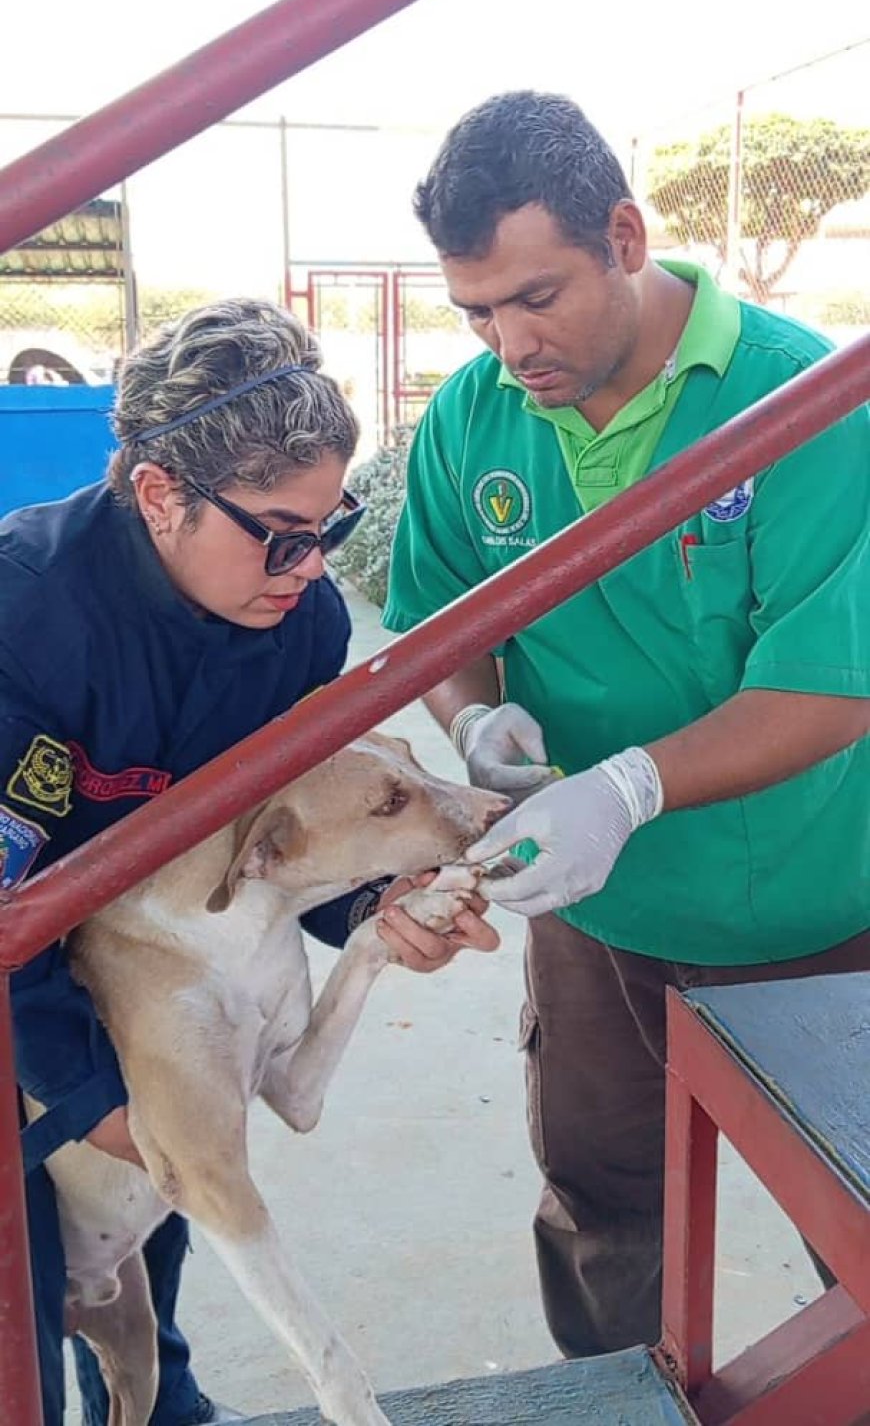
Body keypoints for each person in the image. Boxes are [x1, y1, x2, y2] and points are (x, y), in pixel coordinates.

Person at [383, 91, 870, 1357]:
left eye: (537, 297)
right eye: (475, 312)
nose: (507, 345)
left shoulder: (808, 404)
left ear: (628, 234)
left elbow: (829, 685)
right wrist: (479, 723)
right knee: (603, 1212)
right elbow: (440, 629)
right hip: (599, 922)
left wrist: (626, 790)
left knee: (859, 1225)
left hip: (816, 912)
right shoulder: (476, 416)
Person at [3, 297, 497, 1426]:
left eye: (330, 527)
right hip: (23, 985)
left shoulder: (305, 624)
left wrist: (385, 901)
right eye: (281, 532)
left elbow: (291, 844)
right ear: (160, 495)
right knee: (21, 1326)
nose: (311, 567)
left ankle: (162, 1396)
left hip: (136, 975)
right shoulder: (24, 620)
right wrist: (103, 1103)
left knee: (144, 1278)